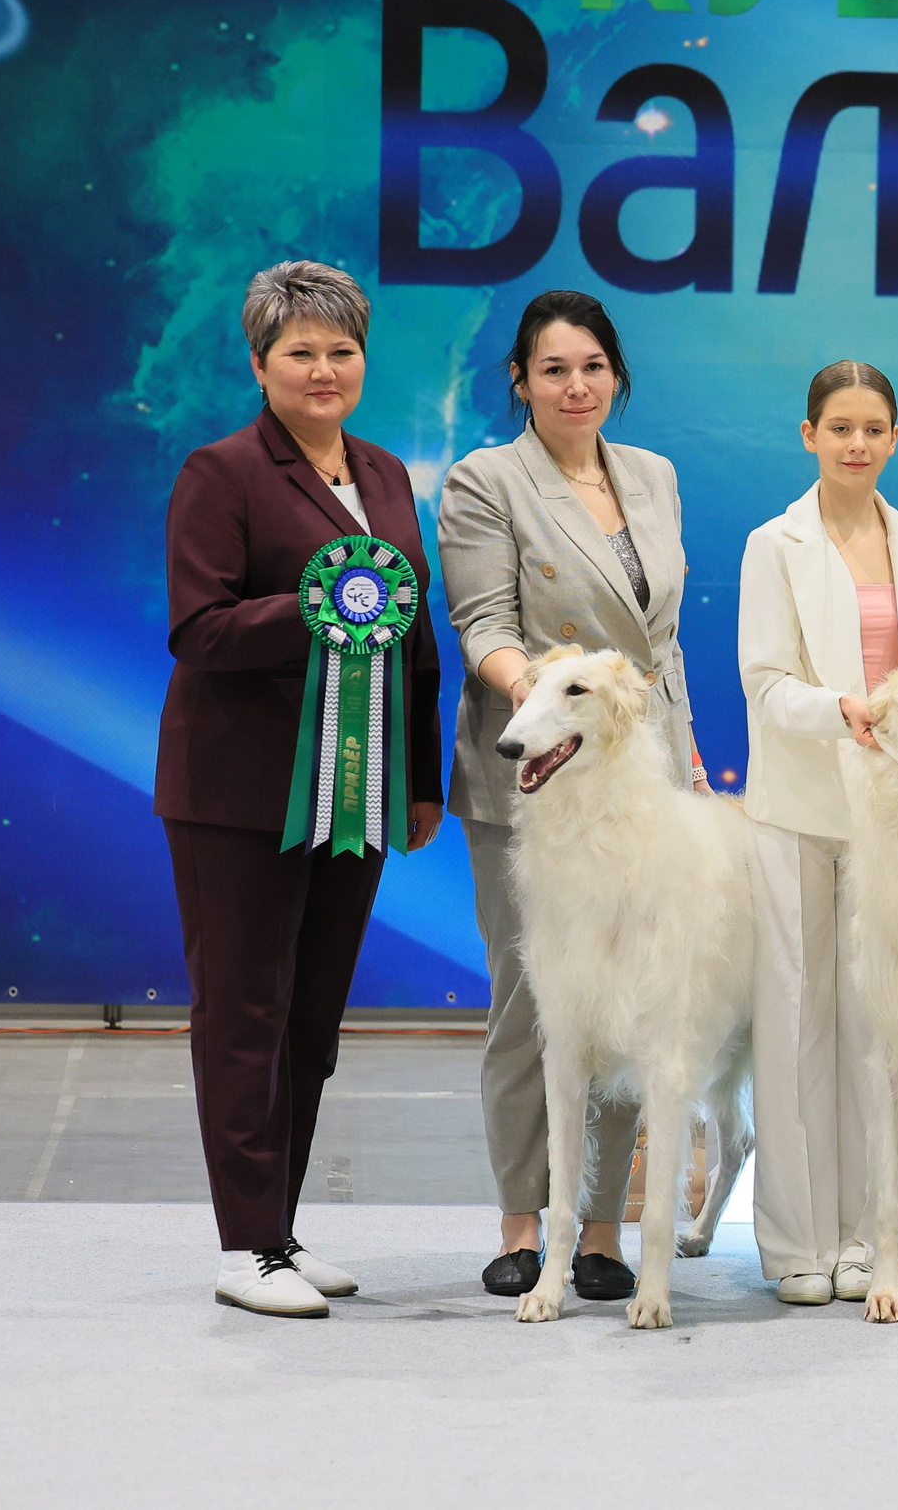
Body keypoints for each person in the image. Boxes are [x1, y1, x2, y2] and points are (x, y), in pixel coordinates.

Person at [156, 260, 445, 1318]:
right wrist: (317, 606)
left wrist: (417, 774)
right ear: (260, 363)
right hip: (240, 792)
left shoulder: (384, 473)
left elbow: (410, 631)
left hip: (359, 787)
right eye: (301, 353)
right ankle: (242, 1248)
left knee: (311, 1018)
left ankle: (278, 1230)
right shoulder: (219, 472)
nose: (324, 369)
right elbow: (198, 629)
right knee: (242, 1011)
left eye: (341, 350)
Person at [437, 290, 698, 1304]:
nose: (575, 386)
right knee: (532, 1002)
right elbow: (484, 624)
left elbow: (659, 646)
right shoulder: (486, 480)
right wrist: (547, 705)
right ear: (520, 379)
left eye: (592, 366)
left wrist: (684, 751)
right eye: (553, 369)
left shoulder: (655, 477)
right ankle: (519, 1224)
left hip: (642, 788)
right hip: (532, 778)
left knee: (635, 1007)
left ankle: (599, 1231)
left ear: (615, 375)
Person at [737, 360, 898, 1306]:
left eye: (874, 428)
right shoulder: (770, 544)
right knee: (795, 1017)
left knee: (879, 1027)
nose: (857, 443)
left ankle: (872, 1235)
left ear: (895, 438)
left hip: (890, 813)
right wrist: (847, 712)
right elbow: (766, 684)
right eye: (840, 427)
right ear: (808, 434)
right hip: (795, 809)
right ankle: (795, 1242)